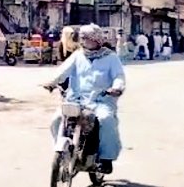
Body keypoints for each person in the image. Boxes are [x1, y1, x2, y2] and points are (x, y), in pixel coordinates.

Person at [44, 24, 126, 174]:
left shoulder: (111, 57)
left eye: (86, 38)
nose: (82, 41)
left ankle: (106, 159)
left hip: (100, 101)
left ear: (96, 40)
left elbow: (118, 76)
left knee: (106, 120)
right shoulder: (78, 55)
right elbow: (63, 71)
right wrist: (52, 82)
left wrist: (116, 88)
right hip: (76, 99)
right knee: (56, 119)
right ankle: (63, 152)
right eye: (81, 38)